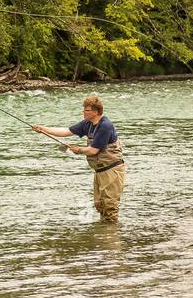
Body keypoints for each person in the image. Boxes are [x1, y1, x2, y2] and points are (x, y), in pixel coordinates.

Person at [32, 94, 126, 222]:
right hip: (99, 171)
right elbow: (66, 131)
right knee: (100, 205)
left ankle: (111, 237)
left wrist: (79, 150)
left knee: (110, 207)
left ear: (96, 111)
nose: (83, 112)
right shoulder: (88, 123)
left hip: (112, 171)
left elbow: (93, 150)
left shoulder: (105, 125)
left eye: (86, 110)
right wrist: (43, 129)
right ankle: (104, 235)